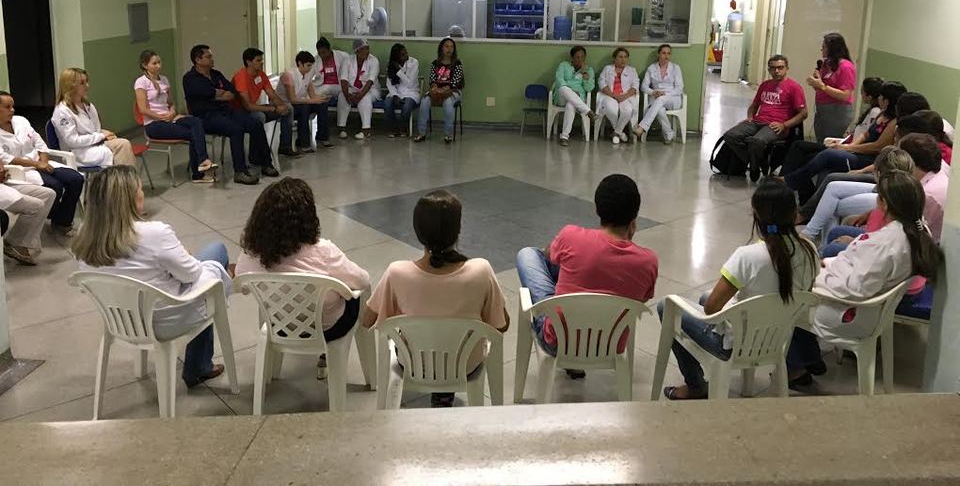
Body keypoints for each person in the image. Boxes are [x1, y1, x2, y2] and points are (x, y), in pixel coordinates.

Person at [71, 166, 233, 389]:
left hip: (120, 320)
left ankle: (199, 364)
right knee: (216, 253)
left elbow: (89, 285)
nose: (142, 193)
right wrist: (184, 256)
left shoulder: (84, 236)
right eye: (139, 188)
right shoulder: (155, 233)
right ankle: (198, 365)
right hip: (165, 320)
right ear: (128, 199)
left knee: (195, 266)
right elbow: (192, 274)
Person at [658, 178, 819, 399]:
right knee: (705, 297)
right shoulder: (809, 250)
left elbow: (712, 309)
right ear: (795, 214)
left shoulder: (748, 256)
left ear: (757, 215)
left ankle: (695, 385)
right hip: (777, 340)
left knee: (665, 307)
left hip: (738, 345)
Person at [786, 171, 943, 386]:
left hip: (855, 313)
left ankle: (796, 369)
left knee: (788, 294)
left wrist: (817, 277)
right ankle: (809, 357)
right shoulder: (916, 231)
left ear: (884, 204)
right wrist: (831, 264)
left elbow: (854, 290)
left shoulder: (886, 244)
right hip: (869, 303)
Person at [361, 190, 509, 407]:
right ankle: (445, 391)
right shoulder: (481, 271)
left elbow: (367, 321)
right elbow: (502, 325)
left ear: (418, 231)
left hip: (414, 365)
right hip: (465, 364)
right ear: (458, 230)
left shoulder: (397, 273)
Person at [515, 174, 658, 375]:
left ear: (597, 209)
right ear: (634, 217)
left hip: (558, 341)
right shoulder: (648, 261)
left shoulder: (571, 236)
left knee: (528, 254)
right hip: (610, 344)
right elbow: (641, 299)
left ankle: (565, 316)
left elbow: (548, 256)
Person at [236, 178, 370, 374]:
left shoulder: (252, 252)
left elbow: (243, 284)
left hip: (278, 326)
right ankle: (369, 372)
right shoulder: (324, 252)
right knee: (358, 294)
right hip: (327, 329)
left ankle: (271, 372)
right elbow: (362, 280)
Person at [784, 81, 910, 199]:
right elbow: (865, 134)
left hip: (869, 158)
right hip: (857, 151)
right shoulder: (881, 114)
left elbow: (877, 146)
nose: (879, 98)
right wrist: (850, 146)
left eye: (881, 96)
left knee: (827, 155)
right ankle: (802, 195)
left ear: (887, 101)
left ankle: (789, 181)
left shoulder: (894, 123)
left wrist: (847, 148)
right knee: (809, 160)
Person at [182, 44, 277, 185]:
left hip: (226, 111)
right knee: (236, 129)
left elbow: (232, 92)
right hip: (206, 117)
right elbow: (204, 93)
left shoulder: (216, 74)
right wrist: (218, 93)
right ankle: (240, 171)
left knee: (255, 122)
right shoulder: (190, 78)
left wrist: (216, 94)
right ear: (198, 60)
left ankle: (266, 163)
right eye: (208, 56)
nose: (212, 59)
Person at [0, 91, 83, 239]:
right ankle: (52, 217)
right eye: (7, 107)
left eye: (13, 106)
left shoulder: (21, 121)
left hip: (41, 163)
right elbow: (5, 158)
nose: (12, 110)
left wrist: (43, 161)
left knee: (75, 179)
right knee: (55, 186)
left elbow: (39, 142)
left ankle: (62, 221)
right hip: (22, 170)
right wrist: (37, 164)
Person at [799, 145, 913, 248]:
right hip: (879, 189)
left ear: (878, 173)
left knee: (832, 205)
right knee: (833, 187)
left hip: (884, 193)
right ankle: (810, 234)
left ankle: (819, 243)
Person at [135, 50, 217, 184]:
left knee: (196, 122)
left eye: (159, 62)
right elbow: (143, 109)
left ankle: (202, 162)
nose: (158, 66)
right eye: (154, 63)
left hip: (170, 118)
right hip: (154, 124)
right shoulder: (141, 82)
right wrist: (161, 117)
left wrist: (172, 112)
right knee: (193, 134)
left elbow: (171, 103)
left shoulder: (164, 80)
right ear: (145, 65)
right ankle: (198, 173)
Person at [721, 54, 808, 181]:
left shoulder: (794, 87)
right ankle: (756, 162)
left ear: (787, 68)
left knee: (756, 142)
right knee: (730, 135)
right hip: (757, 121)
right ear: (769, 70)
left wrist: (784, 125)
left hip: (776, 125)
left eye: (780, 67)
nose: (776, 71)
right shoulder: (765, 85)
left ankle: (754, 167)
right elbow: (754, 106)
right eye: (773, 68)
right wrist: (750, 117)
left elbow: (803, 113)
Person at [781, 76, 883, 178]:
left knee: (803, 155)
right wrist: (841, 142)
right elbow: (859, 135)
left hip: (852, 150)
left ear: (869, 96)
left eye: (862, 91)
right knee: (798, 146)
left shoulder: (876, 113)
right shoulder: (871, 111)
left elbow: (866, 138)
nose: (861, 94)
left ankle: (785, 181)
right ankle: (787, 182)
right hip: (846, 144)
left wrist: (845, 146)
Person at [52, 67, 135, 168]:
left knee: (124, 144)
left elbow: (95, 129)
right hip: (78, 152)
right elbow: (72, 141)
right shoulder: (62, 111)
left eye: (87, 82)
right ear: (70, 86)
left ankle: (125, 182)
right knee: (121, 150)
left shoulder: (87, 105)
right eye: (82, 83)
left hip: (94, 145)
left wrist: (105, 133)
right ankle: (125, 182)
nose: (87, 86)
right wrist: (101, 136)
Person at [232, 47, 298, 158]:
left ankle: (285, 146)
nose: (262, 62)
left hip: (254, 107)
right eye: (258, 60)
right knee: (259, 117)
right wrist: (273, 109)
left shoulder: (261, 75)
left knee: (288, 109)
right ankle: (255, 155)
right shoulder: (241, 77)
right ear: (248, 62)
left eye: (262, 60)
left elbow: (271, 93)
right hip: (239, 111)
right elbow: (247, 106)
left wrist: (281, 105)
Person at [0, 161, 56, 265]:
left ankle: (23, 241)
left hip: (3, 183)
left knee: (48, 194)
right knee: (37, 206)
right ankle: (17, 244)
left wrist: (3, 170)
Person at [807, 32, 857, 143]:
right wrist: (817, 82)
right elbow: (821, 87)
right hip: (822, 110)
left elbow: (845, 95)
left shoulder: (846, 67)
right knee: (820, 141)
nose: (822, 49)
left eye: (824, 47)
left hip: (837, 111)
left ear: (832, 48)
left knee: (829, 143)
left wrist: (822, 86)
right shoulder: (827, 64)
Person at [278, 51, 333, 152]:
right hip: (287, 104)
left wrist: (321, 98)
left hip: (300, 103)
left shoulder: (307, 75)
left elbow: (312, 95)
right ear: (299, 63)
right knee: (305, 108)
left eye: (311, 66)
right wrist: (312, 101)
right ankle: (303, 143)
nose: (310, 68)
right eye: (308, 65)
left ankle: (322, 137)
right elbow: (292, 99)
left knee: (322, 104)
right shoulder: (288, 75)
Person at [414, 38, 465, 144]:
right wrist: (435, 89)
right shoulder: (435, 63)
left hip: (453, 91)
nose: (449, 49)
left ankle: (448, 134)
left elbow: (454, 83)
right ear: (441, 48)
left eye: (451, 47)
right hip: (437, 90)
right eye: (446, 46)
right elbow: (432, 80)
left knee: (447, 102)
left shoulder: (457, 64)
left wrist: (443, 91)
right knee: (425, 101)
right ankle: (421, 133)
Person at [634, 44, 684, 144]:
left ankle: (643, 127)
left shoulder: (675, 68)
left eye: (669, 53)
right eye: (663, 53)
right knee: (660, 110)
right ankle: (669, 134)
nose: (666, 56)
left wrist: (665, 93)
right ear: (659, 54)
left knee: (660, 99)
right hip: (656, 96)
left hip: (673, 98)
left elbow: (679, 88)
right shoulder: (651, 68)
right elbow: (644, 87)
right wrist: (653, 92)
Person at [551, 45, 597, 146]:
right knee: (563, 88)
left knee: (571, 105)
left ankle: (564, 137)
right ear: (572, 58)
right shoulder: (564, 65)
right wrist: (570, 90)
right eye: (577, 57)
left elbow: (589, 89)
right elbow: (559, 80)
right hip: (561, 96)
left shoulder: (589, 70)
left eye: (582, 57)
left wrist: (586, 77)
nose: (580, 59)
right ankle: (588, 111)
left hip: (578, 99)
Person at [336, 38, 381, 141]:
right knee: (342, 97)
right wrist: (347, 95)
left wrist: (360, 95)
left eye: (368, 48)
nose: (367, 51)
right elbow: (343, 79)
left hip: (370, 90)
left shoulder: (373, 61)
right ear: (356, 51)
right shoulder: (347, 61)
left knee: (365, 98)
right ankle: (341, 128)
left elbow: (370, 81)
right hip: (352, 89)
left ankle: (366, 130)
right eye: (363, 49)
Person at [596, 47, 641, 145]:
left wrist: (624, 96)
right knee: (611, 109)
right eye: (620, 57)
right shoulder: (607, 69)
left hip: (626, 96)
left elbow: (635, 86)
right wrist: (614, 95)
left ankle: (616, 132)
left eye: (625, 57)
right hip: (610, 95)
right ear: (614, 58)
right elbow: (601, 83)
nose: (623, 59)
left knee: (628, 110)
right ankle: (620, 133)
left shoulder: (632, 70)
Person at [384, 43, 420, 139]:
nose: (406, 56)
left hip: (411, 92)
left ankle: (403, 128)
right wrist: (395, 95)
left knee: (407, 106)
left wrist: (398, 71)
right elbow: (389, 83)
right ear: (396, 57)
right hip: (396, 92)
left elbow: (410, 84)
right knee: (387, 104)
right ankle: (393, 129)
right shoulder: (391, 65)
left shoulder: (414, 62)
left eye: (406, 53)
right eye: (403, 55)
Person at [312, 37, 349, 101]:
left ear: (329, 49)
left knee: (326, 88)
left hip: (339, 85)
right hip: (321, 85)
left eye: (324, 52)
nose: (322, 55)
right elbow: (309, 74)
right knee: (311, 93)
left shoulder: (342, 56)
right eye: (319, 53)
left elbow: (352, 70)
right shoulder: (316, 59)